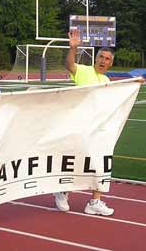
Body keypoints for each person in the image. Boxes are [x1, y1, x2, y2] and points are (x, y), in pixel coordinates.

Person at [53, 29, 115, 216]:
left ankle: (95, 201)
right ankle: (62, 191)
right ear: (95, 58)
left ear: (111, 63)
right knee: (75, 161)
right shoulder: (83, 70)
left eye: (107, 59)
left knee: (101, 161)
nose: (103, 61)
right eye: (101, 57)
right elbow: (69, 65)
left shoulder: (106, 79)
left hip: (97, 129)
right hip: (78, 126)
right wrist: (73, 48)